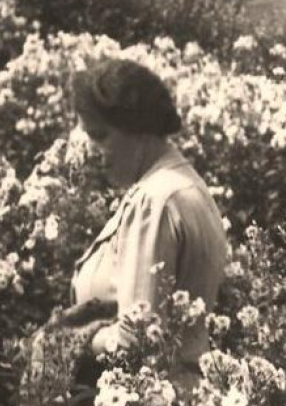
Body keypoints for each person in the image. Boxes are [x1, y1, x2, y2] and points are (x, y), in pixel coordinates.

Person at [68, 56, 229, 387]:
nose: (93, 151)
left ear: (139, 130)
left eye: (101, 135)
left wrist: (68, 340)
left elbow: (138, 338)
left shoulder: (155, 200)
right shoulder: (184, 183)